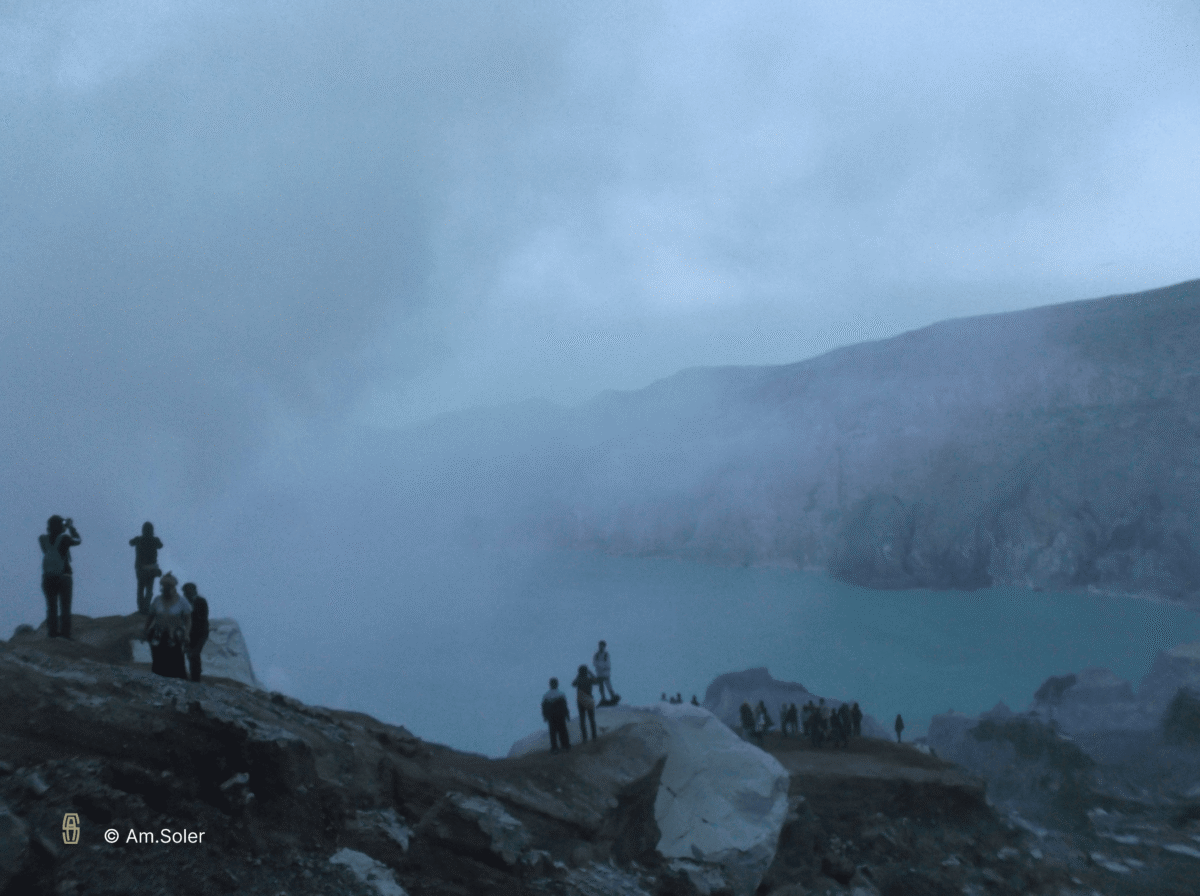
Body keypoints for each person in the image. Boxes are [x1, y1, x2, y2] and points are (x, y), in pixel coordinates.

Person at [39, 515, 81, 639]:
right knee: (65, 607)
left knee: (51, 606)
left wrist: (63, 528)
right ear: (60, 526)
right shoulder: (65, 538)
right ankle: (65, 634)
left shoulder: (42, 539)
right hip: (64, 576)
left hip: (48, 577)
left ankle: (52, 633)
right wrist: (70, 527)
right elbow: (78, 540)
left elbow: (50, 546)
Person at [144, 572, 191, 679]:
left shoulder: (182, 602)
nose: (165, 588)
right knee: (158, 659)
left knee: (176, 660)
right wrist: (146, 629)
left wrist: (187, 634)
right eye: (164, 586)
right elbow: (150, 616)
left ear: (173, 587)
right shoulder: (157, 600)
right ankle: (158, 681)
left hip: (174, 636)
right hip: (158, 634)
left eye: (168, 586)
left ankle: (178, 682)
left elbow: (188, 620)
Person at [129, 522, 164, 615]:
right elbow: (160, 545)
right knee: (149, 589)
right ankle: (146, 608)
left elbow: (131, 543)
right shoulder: (154, 540)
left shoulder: (139, 539)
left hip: (140, 568)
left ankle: (142, 609)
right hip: (151, 568)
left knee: (141, 589)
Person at [182, 583, 209, 683]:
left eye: (189, 591)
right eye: (186, 591)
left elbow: (203, 616)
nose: (187, 593)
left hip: (201, 632)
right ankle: (194, 677)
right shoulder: (184, 603)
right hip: (190, 633)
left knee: (195, 653)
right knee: (190, 654)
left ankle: (196, 678)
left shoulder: (201, 601)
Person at [541, 678, 571, 753]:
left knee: (553, 733)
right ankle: (565, 745)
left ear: (550, 685)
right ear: (557, 684)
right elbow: (565, 706)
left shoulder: (546, 696)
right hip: (560, 715)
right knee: (563, 731)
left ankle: (554, 748)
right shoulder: (561, 694)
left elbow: (544, 707)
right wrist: (567, 715)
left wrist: (545, 716)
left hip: (551, 716)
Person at [571, 665, 597, 743]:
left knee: (582, 720)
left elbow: (573, 684)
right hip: (589, 699)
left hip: (581, 700)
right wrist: (591, 673)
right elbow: (596, 681)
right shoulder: (589, 679)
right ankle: (594, 736)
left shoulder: (579, 680)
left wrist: (578, 675)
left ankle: (585, 738)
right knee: (591, 719)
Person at [593, 641, 619, 705]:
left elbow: (607, 664)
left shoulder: (606, 654)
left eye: (602, 646)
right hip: (599, 674)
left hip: (605, 674)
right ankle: (603, 698)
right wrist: (600, 666)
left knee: (608, 685)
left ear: (604, 647)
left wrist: (601, 666)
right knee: (601, 687)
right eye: (600, 645)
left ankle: (612, 696)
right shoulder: (596, 655)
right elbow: (595, 663)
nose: (601, 647)